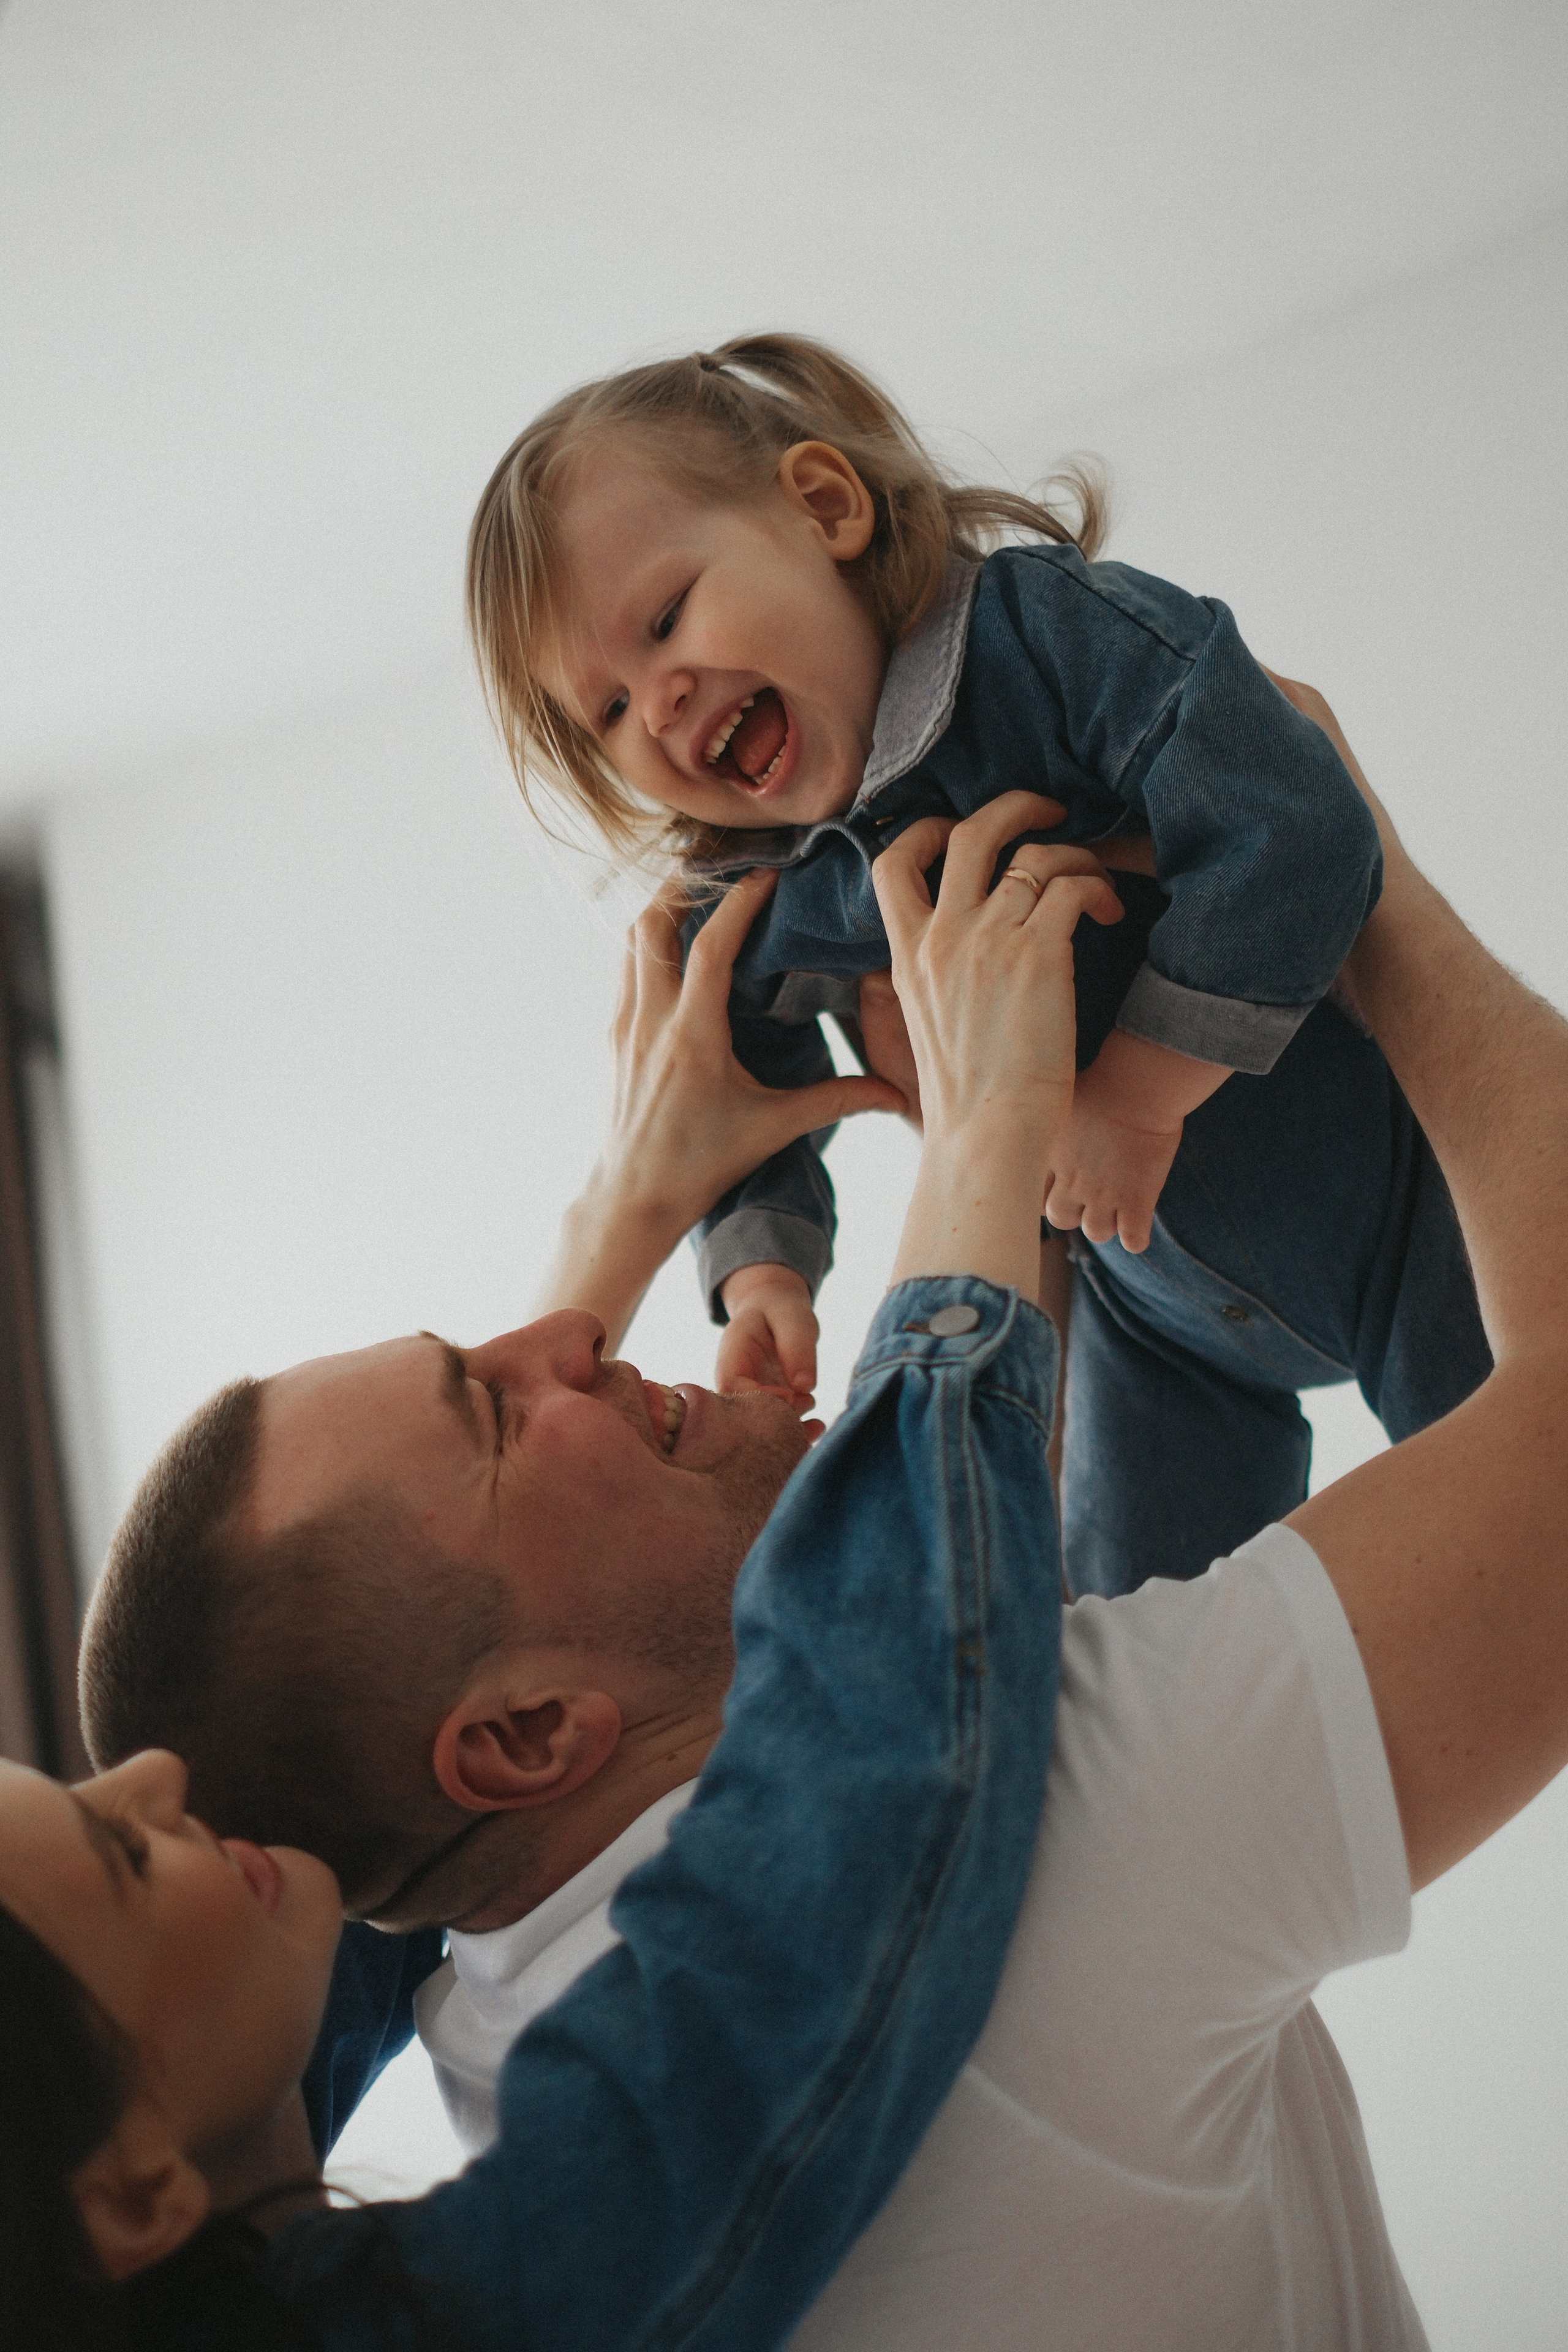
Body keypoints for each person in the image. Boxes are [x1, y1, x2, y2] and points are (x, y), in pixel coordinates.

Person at [84, 704, 1568, 2347]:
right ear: (525, 1738)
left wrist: (643, 1207)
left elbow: (368, 1743)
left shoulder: (470, 1966)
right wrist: (1366, 888)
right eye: (494, 1408)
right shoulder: (1078, 1803)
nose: (568, 1341)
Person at [1, 807, 1112, 2348]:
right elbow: (858, 1811)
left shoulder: (207, 2125)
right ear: (126, 2197)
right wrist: (989, 1123)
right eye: (123, 1857)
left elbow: (363, 1781)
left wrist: (630, 1208)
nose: (160, 1782)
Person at [464, 333, 1493, 1594]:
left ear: (824, 508)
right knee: (1108, 1633)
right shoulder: (765, 882)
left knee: (1516, 1506)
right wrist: (763, 1277)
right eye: (607, 711)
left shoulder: (1035, 641)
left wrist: (1134, 1092)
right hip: (1146, 1315)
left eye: (666, 618)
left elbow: (1287, 811)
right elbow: (733, 1076)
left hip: (1379, 1197)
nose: (660, 700)